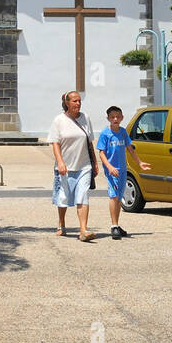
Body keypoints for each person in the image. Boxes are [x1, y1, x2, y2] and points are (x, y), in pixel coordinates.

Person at [47, 90, 98, 242]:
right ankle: (61, 223)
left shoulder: (85, 118)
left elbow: (89, 142)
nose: (78, 103)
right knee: (63, 198)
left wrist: (94, 162)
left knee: (83, 196)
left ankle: (83, 230)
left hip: (84, 166)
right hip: (65, 167)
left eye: (79, 101)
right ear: (67, 103)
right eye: (74, 101)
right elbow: (55, 143)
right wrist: (60, 162)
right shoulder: (59, 120)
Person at [96, 105, 151, 240]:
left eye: (118, 117)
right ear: (108, 118)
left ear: (122, 118)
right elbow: (101, 153)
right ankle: (113, 226)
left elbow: (130, 148)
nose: (115, 119)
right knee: (114, 196)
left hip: (122, 169)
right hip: (112, 170)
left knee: (119, 197)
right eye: (113, 117)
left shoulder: (122, 132)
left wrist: (139, 163)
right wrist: (109, 167)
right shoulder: (105, 133)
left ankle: (117, 224)